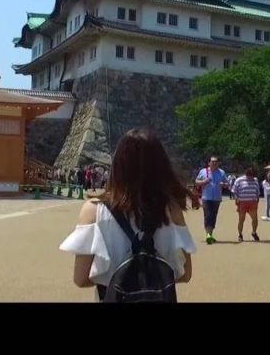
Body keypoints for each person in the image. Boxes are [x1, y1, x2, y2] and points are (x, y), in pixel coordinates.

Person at [60, 128, 195, 300]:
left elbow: (80, 279)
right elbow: (185, 274)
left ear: (118, 165)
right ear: (161, 166)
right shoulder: (171, 210)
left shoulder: (93, 210)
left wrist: (115, 279)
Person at [195, 156, 228, 245]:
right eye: (212, 161)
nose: (214, 163)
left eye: (216, 161)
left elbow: (227, 183)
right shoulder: (203, 171)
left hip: (217, 198)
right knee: (208, 215)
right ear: (209, 163)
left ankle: (210, 234)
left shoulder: (221, 172)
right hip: (206, 197)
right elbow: (196, 182)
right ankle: (208, 235)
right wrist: (204, 182)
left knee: (213, 216)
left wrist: (223, 184)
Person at [233, 168, 261, 242]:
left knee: (255, 219)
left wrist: (257, 200)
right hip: (242, 202)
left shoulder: (255, 180)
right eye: (250, 176)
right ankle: (240, 234)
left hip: (252, 202)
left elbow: (257, 191)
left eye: (252, 176)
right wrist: (236, 198)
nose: (251, 178)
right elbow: (234, 191)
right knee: (241, 219)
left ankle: (254, 232)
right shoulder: (239, 180)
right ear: (246, 175)